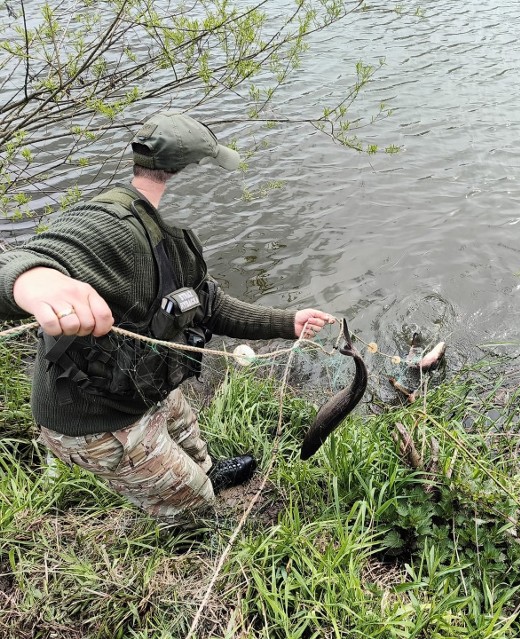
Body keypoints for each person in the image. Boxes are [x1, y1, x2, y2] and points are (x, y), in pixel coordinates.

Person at [0, 112, 335, 519]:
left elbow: (210, 305)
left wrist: (289, 322)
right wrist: (33, 281)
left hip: (143, 388)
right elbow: (30, 257)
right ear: (186, 171)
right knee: (194, 505)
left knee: (190, 437)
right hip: (100, 423)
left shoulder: (166, 237)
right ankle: (193, 522)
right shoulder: (110, 225)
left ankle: (206, 472)